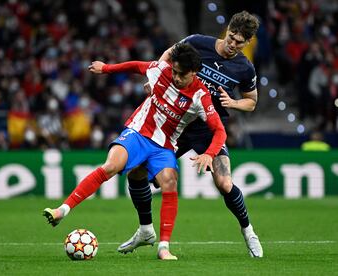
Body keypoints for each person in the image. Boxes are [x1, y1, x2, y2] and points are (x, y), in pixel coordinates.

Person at [43, 43, 227, 260]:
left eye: (182, 74)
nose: (176, 77)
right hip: (139, 132)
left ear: (194, 72)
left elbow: (220, 131)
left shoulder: (200, 96)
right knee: (111, 166)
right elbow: (136, 66)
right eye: (175, 72)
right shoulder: (162, 70)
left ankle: (163, 247)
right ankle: (61, 211)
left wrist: (210, 153)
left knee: (169, 181)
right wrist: (107, 69)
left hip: (165, 145)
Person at [121, 10, 264, 258]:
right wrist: (158, 79)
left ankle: (248, 232)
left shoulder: (244, 67)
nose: (232, 45)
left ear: (248, 42)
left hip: (208, 129)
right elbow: (168, 55)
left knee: (224, 182)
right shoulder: (198, 42)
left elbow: (252, 101)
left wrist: (233, 102)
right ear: (227, 29)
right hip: (175, 125)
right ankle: (145, 230)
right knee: (136, 172)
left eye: (239, 43)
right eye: (231, 37)